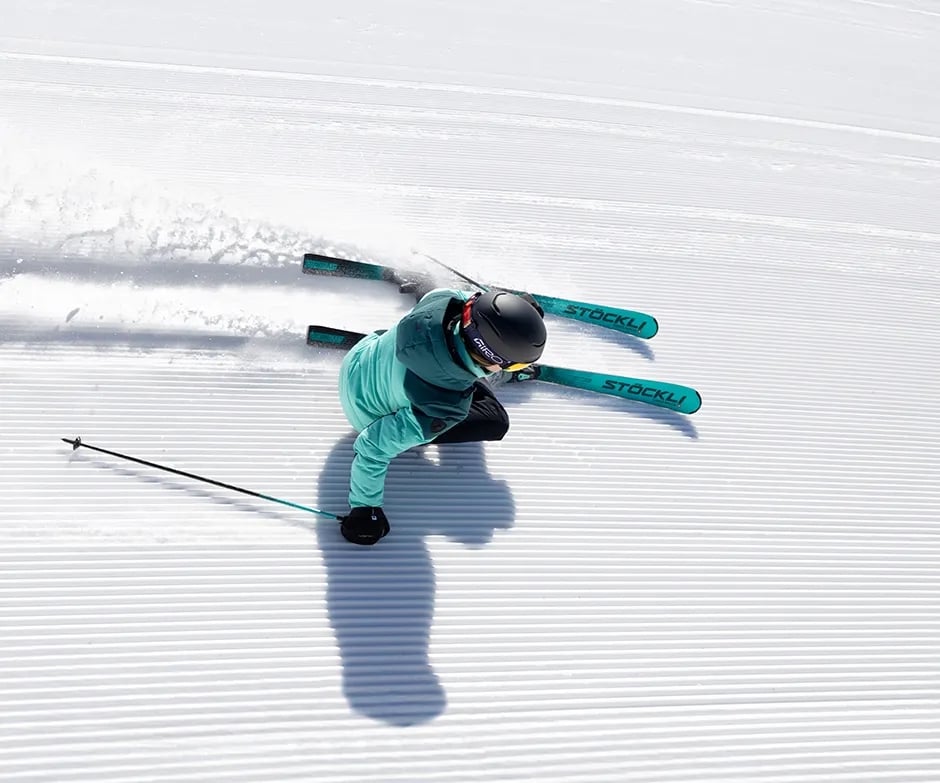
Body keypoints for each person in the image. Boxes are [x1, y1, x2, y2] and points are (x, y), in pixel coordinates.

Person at [336, 288, 547, 545]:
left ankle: (472, 367)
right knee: (495, 421)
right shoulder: (445, 407)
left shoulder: (441, 299)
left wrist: (510, 309)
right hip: (367, 415)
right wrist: (364, 508)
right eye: (512, 365)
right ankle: (486, 376)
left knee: (443, 362)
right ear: (496, 360)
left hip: (358, 361)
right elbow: (372, 446)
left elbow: (469, 297)